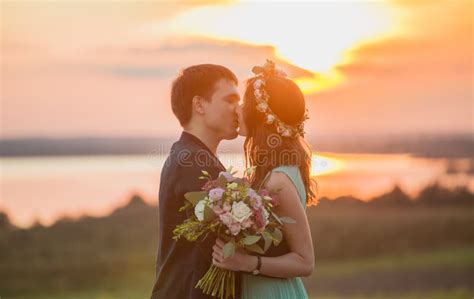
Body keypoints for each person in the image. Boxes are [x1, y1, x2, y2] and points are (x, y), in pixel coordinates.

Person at [211, 60, 318, 299]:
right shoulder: (273, 171)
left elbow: (305, 261)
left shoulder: (278, 180)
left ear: (260, 114)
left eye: (244, 103)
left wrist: (247, 262)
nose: (237, 109)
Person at [150, 64, 242, 298]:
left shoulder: (192, 156)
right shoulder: (191, 162)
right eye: (230, 100)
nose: (238, 110)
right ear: (199, 104)